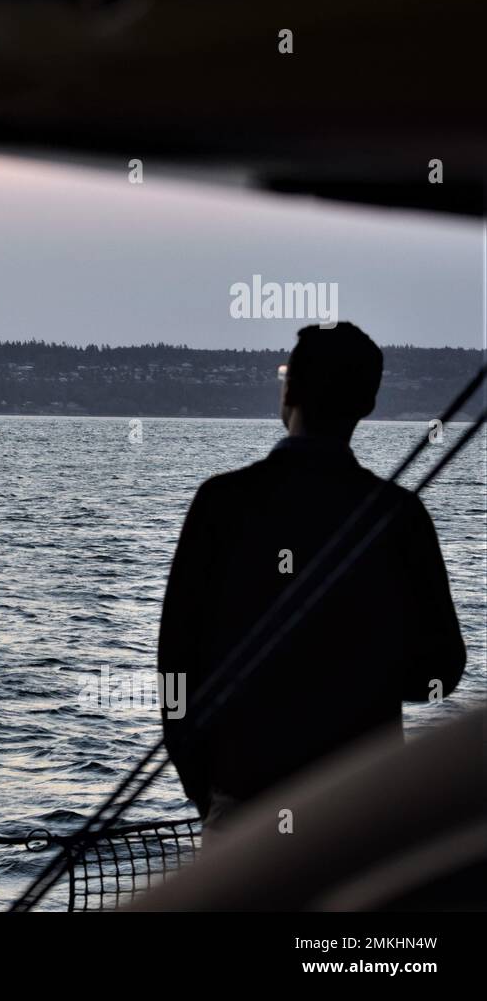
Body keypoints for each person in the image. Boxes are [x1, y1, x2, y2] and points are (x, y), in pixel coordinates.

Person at [157, 322, 466, 831]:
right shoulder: (399, 516)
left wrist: (208, 791)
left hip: (244, 799)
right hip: (364, 809)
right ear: (367, 404)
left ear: (290, 389)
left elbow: (175, 668)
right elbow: (441, 672)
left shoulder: (223, 503)